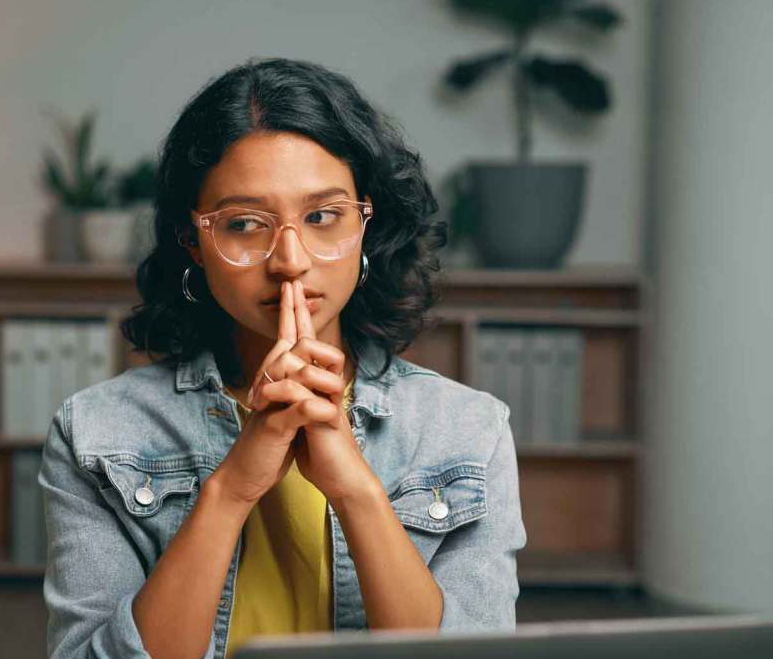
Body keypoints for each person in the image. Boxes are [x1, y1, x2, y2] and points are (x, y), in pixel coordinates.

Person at [39, 57, 527, 659]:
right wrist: (235, 484)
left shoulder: (467, 431)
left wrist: (355, 490)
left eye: (323, 217)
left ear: (367, 225)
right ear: (195, 241)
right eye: (245, 224)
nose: (290, 260)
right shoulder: (96, 432)